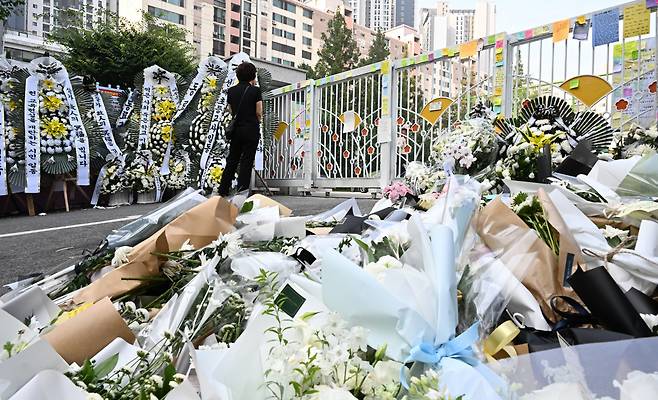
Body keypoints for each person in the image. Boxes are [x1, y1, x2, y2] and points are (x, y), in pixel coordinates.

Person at [217, 62, 263, 196]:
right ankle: (241, 192)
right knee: (247, 161)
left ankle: (223, 190)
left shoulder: (231, 91)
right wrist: (256, 121)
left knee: (232, 160)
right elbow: (259, 112)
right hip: (251, 129)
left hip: (236, 130)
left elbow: (232, 111)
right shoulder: (255, 90)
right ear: (253, 75)